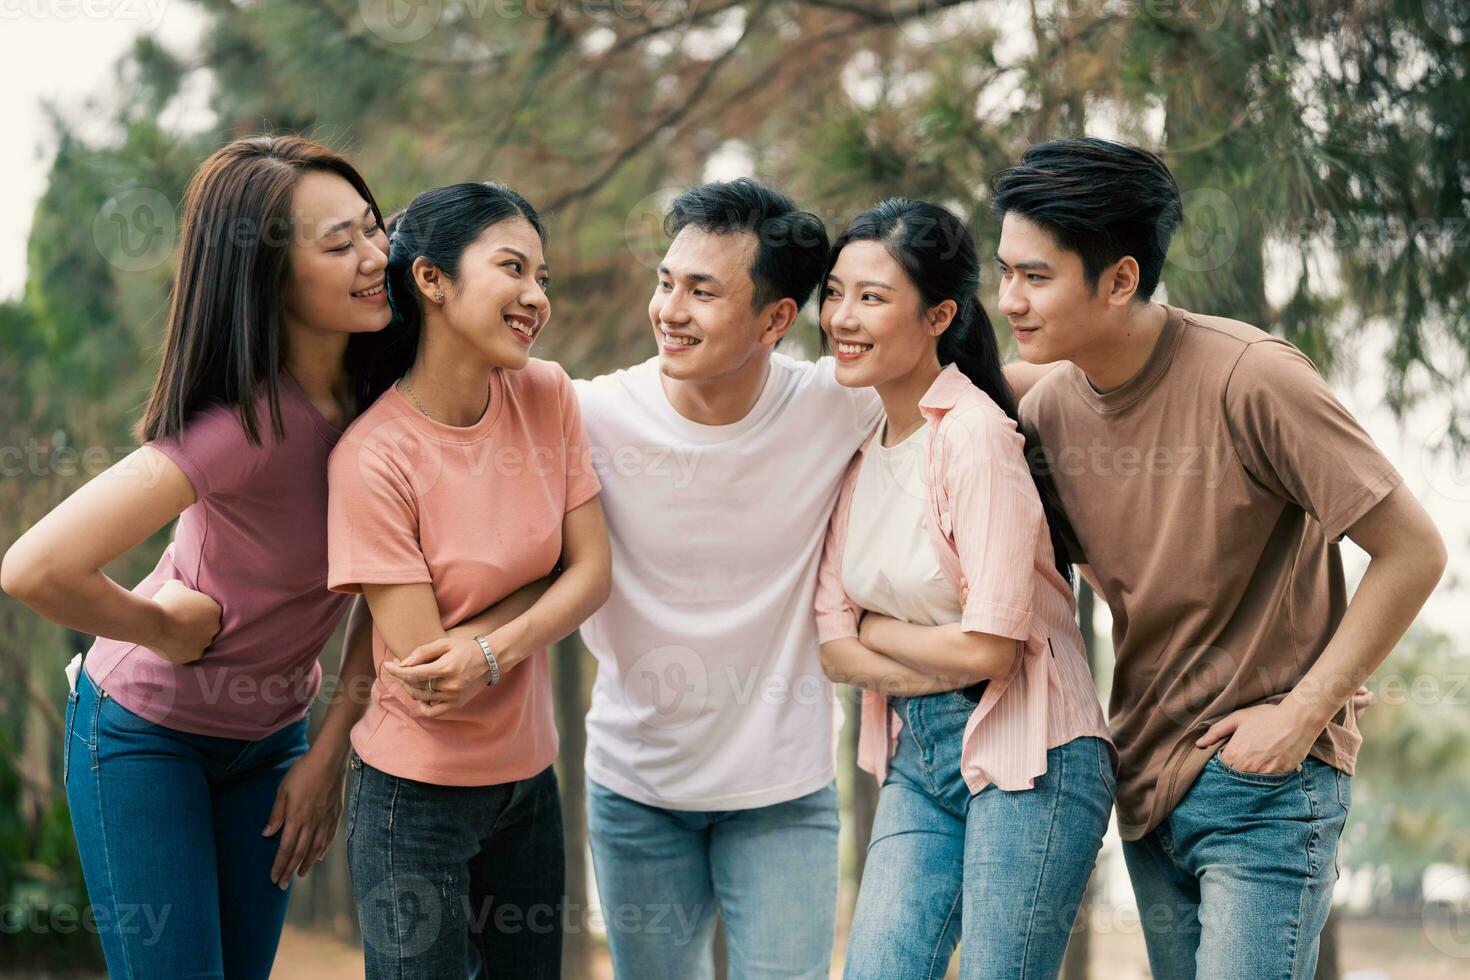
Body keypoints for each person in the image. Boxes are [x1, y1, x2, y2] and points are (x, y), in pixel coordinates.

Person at [996, 137, 1447, 979]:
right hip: (1145, 782)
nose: (1009, 300)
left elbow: (1413, 550)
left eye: (1035, 277)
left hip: (1266, 781)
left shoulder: (1253, 378)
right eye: (1004, 272)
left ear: (1121, 278)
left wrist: (1305, 709)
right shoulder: (1051, 408)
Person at [1, 135, 394, 978]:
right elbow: (34, 567)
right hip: (146, 738)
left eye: (374, 228)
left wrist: (328, 753)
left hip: (273, 741)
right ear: (270, 277)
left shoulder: (389, 405)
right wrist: (158, 626)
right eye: (340, 244)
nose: (374, 258)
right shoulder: (236, 429)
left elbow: (395, 593)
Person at [567, 178, 882, 978]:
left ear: (777, 319)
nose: (670, 309)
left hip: (781, 792)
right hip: (635, 788)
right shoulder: (591, 414)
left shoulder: (836, 404)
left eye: (703, 292)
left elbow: (984, 395)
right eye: (666, 281)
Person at [814, 198, 1115, 979]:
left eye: (872, 298)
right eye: (836, 293)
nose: (842, 317)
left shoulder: (974, 436)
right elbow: (832, 648)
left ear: (938, 315)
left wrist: (878, 633)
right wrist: (912, 654)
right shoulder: (857, 443)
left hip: (1035, 750)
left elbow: (991, 649)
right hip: (920, 751)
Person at [325, 181, 610, 979]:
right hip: (412, 803)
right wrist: (544, 587)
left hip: (529, 787)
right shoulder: (372, 458)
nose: (535, 296)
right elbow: (427, 674)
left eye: (543, 278)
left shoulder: (546, 394)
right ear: (431, 280)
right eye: (513, 268)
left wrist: (490, 647)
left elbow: (593, 573)